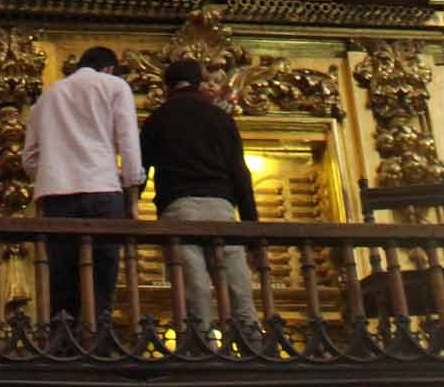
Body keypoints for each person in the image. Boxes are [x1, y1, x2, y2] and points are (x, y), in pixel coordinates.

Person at [139, 58, 264, 349]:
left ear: (167, 86)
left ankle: (200, 351)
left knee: (193, 288)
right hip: (221, 209)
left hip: (179, 209)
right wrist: (254, 237)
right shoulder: (221, 118)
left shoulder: (157, 119)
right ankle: (252, 349)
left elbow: (140, 171)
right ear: (198, 83)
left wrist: (127, 210)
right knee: (237, 286)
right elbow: (240, 175)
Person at [22, 46, 143, 330]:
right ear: (110, 68)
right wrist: (132, 196)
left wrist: (54, 173)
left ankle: (62, 347)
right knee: (102, 273)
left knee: (62, 276)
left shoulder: (48, 95)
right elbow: (128, 143)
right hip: (102, 190)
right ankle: (97, 342)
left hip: (56, 195)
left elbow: (29, 158)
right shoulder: (115, 86)